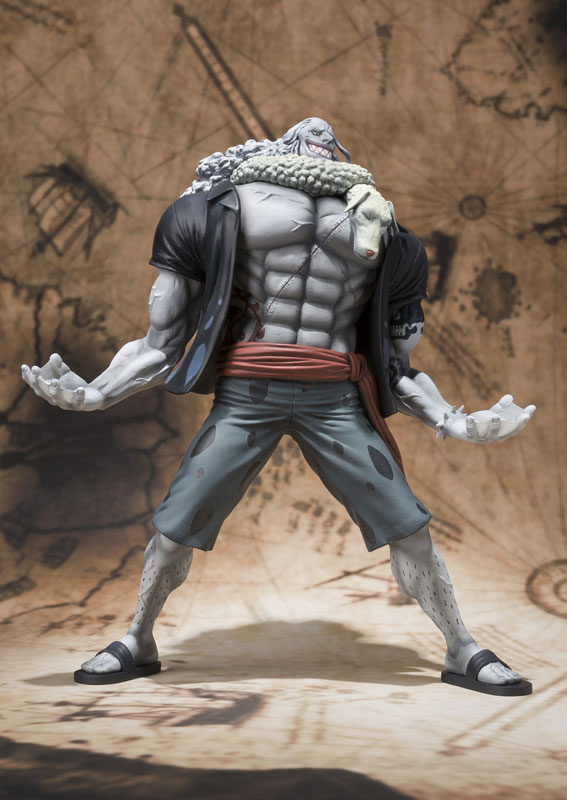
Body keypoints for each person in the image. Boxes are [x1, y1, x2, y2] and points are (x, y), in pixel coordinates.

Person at [22, 118, 535, 694]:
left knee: (408, 527)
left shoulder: (387, 233)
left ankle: (461, 647)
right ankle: (138, 638)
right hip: (247, 396)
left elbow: (396, 365)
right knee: (175, 527)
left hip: (336, 399)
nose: (319, 126)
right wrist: (98, 392)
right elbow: (161, 343)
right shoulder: (211, 212)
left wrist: (452, 420)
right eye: (305, 126)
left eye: (329, 130)